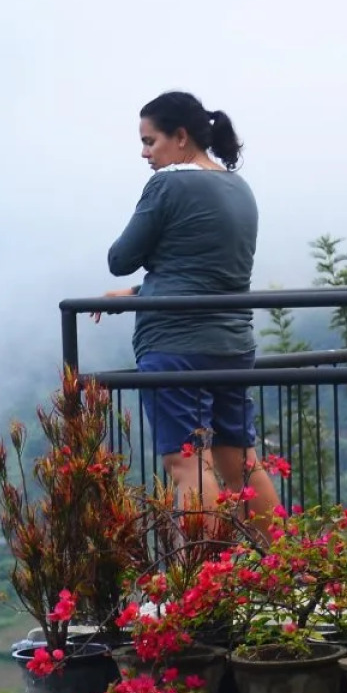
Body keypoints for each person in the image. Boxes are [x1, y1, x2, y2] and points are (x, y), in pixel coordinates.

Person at [97, 90, 280, 523]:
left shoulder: (168, 184)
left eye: (150, 141)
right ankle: (291, 567)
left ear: (180, 137)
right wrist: (142, 293)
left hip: (175, 345)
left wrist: (141, 283)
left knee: (187, 464)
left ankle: (205, 581)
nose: (144, 153)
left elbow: (119, 259)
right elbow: (209, 271)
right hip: (232, 344)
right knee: (239, 461)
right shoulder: (239, 187)